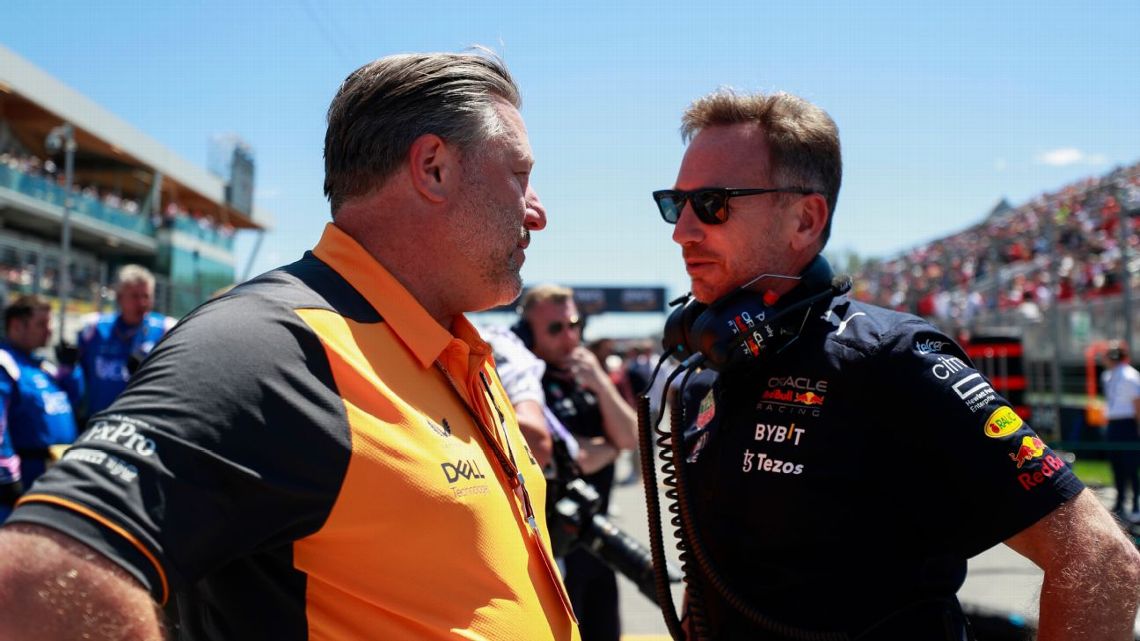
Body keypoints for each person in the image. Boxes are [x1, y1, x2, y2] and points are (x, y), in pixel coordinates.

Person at [0, 49, 579, 641]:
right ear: (432, 167)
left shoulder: (455, 351)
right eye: (520, 175)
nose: (536, 212)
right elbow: (35, 580)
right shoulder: (271, 346)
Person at [652, 89, 1140, 640]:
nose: (682, 231)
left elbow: (1100, 559)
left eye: (712, 203)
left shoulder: (891, 359)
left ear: (806, 220)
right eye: (676, 203)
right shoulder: (706, 374)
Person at [516, 284, 637, 641]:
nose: (570, 336)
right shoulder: (526, 383)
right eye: (555, 328)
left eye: (574, 324)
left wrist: (601, 383)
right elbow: (572, 458)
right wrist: (611, 447)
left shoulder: (589, 377)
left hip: (598, 542)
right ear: (529, 334)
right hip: (555, 547)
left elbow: (630, 437)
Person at [0, 294, 82, 490]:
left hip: (55, 476)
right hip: (23, 482)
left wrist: (71, 370)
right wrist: (7, 476)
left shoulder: (43, 366)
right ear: (17, 325)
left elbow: (73, 403)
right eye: (42, 323)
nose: (50, 329)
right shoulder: (5, 364)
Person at [73, 264, 176, 418]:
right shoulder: (94, 328)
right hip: (98, 422)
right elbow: (76, 377)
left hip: (143, 425)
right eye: (135, 296)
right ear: (120, 297)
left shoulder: (166, 330)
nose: (142, 303)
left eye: (146, 296)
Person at [1102, 340, 1140, 519]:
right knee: (1116, 465)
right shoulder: (1108, 376)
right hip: (1114, 423)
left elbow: (1137, 403)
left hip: (1127, 423)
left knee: (1131, 466)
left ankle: (1135, 503)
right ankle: (1120, 501)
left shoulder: (1131, 375)